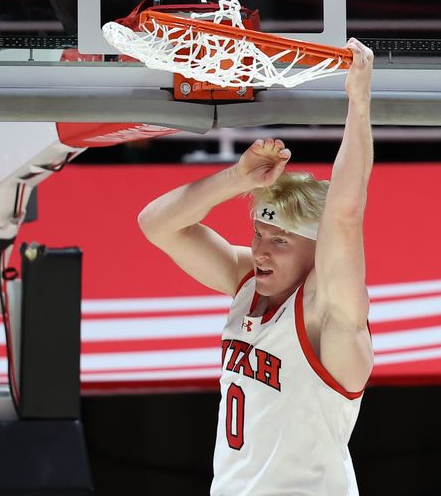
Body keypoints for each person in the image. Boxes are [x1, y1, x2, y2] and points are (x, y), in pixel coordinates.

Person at [137, 38, 375, 495]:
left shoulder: (330, 310)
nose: (262, 251)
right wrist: (236, 178)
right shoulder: (246, 282)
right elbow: (156, 225)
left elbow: (345, 213)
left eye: (280, 241)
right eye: (259, 235)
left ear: (318, 250)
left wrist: (358, 104)